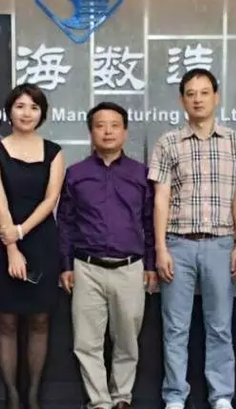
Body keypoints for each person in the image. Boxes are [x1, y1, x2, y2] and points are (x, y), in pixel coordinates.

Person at [148, 68, 236, 409]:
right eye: (190, 93)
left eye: (204, 92)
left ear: (216, 97)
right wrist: (160, 248)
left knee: (219, 325)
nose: (198, 99)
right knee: (175, 326)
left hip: (221, 244)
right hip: (178, 243)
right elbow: (160, 198)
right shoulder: (168, 142)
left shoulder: (235, 141)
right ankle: (175, 395)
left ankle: (221, 395)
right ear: (182, 100)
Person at [57, 102, 157, 409]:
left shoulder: (141, 174)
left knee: (127, 341)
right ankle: (99, 401)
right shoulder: (76, 174)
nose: (108, 131)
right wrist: (66, 265)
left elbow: (150, 222)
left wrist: (151, 265)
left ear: (125, 132)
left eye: (114, 125)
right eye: (100, 126)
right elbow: (66, 223)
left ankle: (122, 397)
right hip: (86, 267)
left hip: (130, 268)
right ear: (91, 132)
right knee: (86, 342)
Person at [0, 83, 65, 409]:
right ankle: (12, 396)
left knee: (40, 319)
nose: (26, 113)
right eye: (20, 106)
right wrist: (12, 247)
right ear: (9, 112)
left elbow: (50, 200)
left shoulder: (54, 152)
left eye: (33, 107)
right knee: (6, 320)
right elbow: (0, 204)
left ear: (41, 113)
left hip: (41, 240)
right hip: (4, 241)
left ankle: (33, 394)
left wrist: (21, 231)